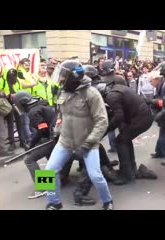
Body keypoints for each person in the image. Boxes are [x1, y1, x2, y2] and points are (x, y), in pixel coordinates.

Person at [44, 60, 113, 210]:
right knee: (46, 172)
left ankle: (107, 200)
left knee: (95, 175)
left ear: (73, 76)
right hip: (65, 141)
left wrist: (87, 144)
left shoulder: (91, 94)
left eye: (63, 75)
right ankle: (53, 202)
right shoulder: (63, 91)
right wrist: (56, 132)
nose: (60, 79)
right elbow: (61, 115)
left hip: (87, 144)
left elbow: (102, 122)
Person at [95, 77, 156, 185]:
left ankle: (127, 174)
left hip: (139, 119)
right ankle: (130, 170)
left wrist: (106, 130)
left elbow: (118, 117)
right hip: (141, 117)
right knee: (124, 140)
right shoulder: (116, 89)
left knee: (121, 141)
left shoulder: (112, 96)